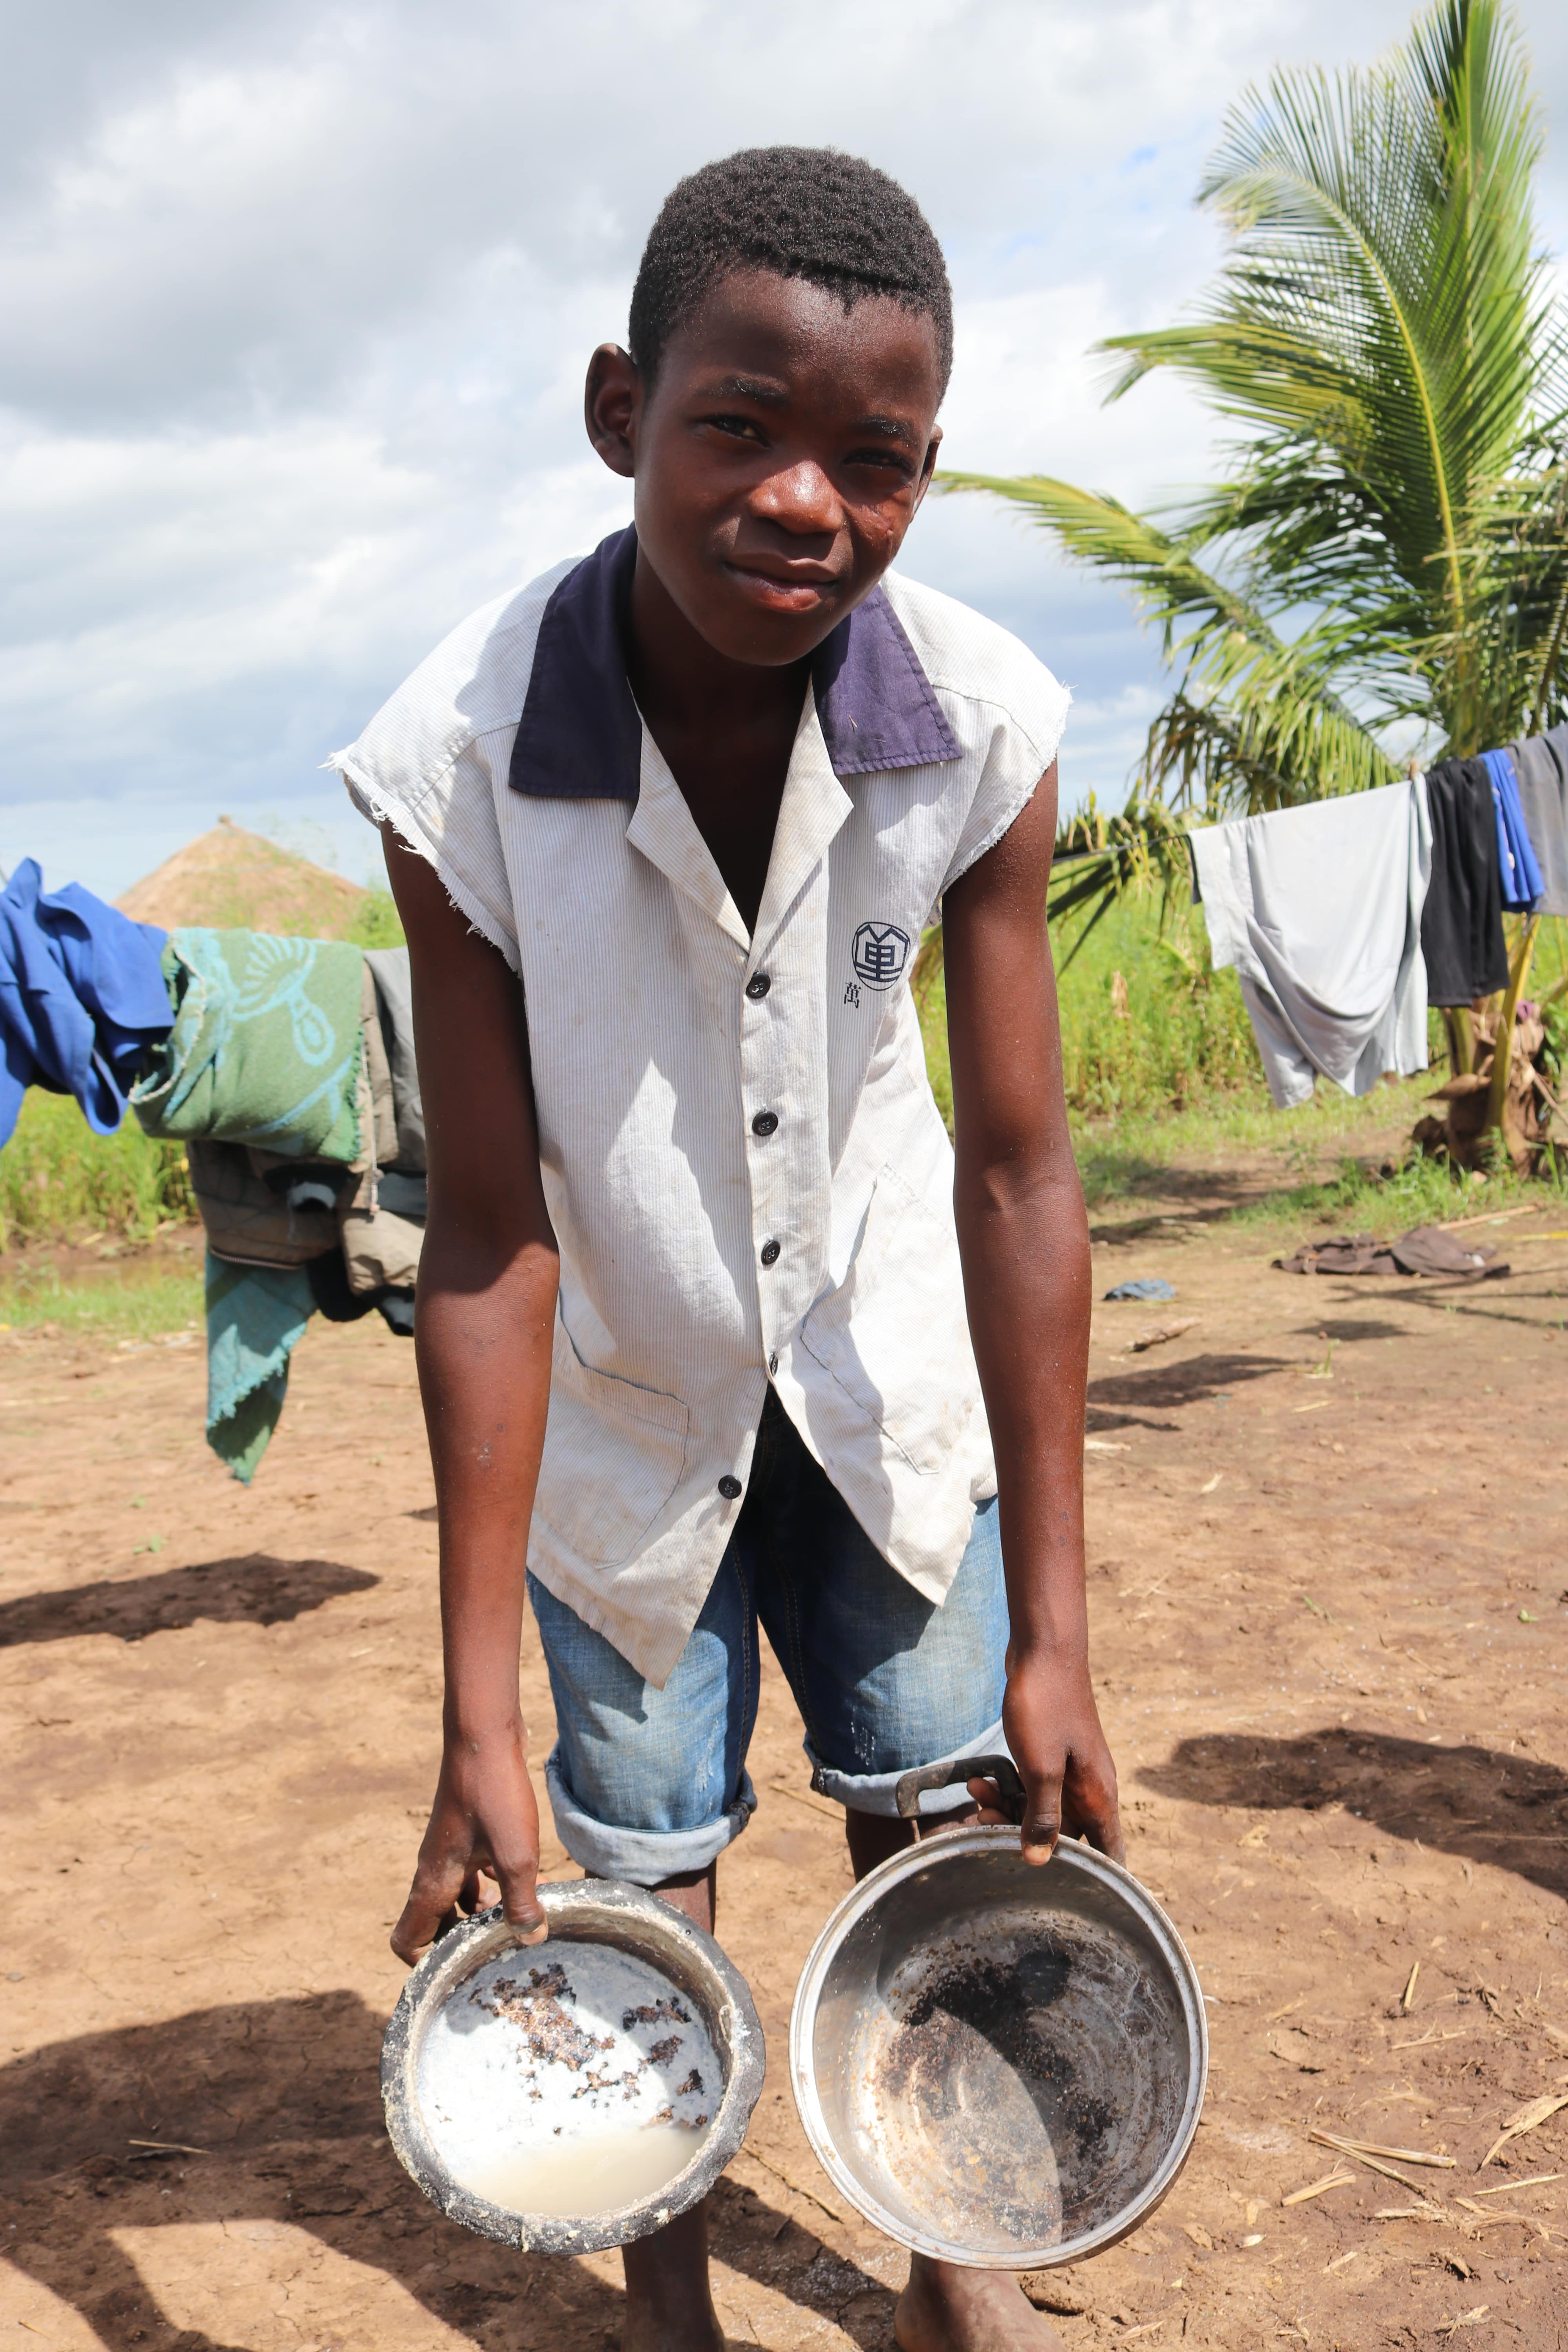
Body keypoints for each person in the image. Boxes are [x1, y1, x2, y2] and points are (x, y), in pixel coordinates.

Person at [336, 144, 1122, 2352]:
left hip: (881, 1379)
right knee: (636, 1874)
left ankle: (958, 2268)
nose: (805, 503)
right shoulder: (463, 760)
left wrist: (1056, 1627)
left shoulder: (977, 725)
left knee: (950, 1837)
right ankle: (667, 2294)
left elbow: (1017, 1175)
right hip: (627, 1410)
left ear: (925, 473)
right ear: (621, 412)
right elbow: (487, 1236)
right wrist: (472, 1707)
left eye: (873, 461)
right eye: (739, 429)